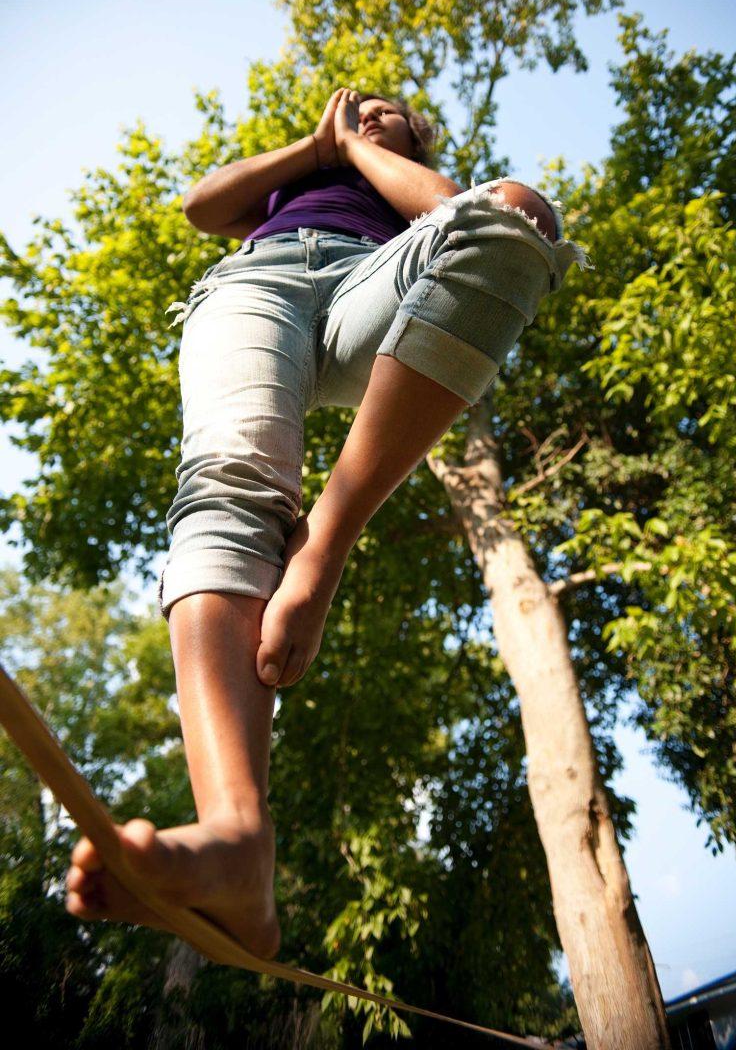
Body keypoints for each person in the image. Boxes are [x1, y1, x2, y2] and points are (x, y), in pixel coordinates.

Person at [64, 86, 589, 958]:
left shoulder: (397, 176)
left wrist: (364, 151)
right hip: (254, 283)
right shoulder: (289, 180)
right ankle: (238, 843)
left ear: (416, 135)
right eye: (360, 108)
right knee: (228, 476)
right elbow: (203, 207)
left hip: (370, 287)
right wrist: (315, 150)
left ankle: (325, 543)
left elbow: (462, 215)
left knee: (514, 216)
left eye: (393, 112)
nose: (371, 113)